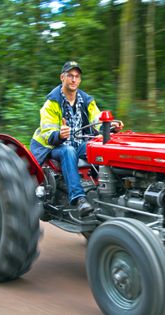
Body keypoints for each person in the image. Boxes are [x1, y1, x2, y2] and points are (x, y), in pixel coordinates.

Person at [30, 61, 123, 218]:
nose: (73, 80)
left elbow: (97, 121)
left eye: (77, 76)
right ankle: (79, 198)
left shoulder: (86, 100)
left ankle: (111, 192)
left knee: (99, 147)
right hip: (53, 146)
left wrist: (110, 126)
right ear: (62, 77)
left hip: (77, 143)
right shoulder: (51, 103)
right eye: (70, 76)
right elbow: (48, 133)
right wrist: (59, 134)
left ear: (79, 80)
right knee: (68, 150)